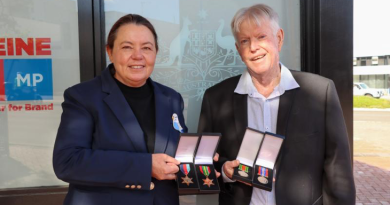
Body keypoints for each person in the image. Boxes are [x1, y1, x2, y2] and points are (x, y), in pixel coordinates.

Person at [198, 4, 355, 205]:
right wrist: (224, 171)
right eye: (245, 41)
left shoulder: (319, 92)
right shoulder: (216, 98)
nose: (253, 47)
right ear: (238, 49)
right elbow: (202, 165)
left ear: (279, 38)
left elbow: (338, 168)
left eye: (261, 37)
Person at [53, 14, 187, 205]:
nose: (138, 56)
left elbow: (176, 156)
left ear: (155, 52)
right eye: (127, 47)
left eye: (147, 48)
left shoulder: (171, 98)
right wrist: (146, 166)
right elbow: (67, 162)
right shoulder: (82, 97)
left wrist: (200, 163)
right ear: (110, 51)